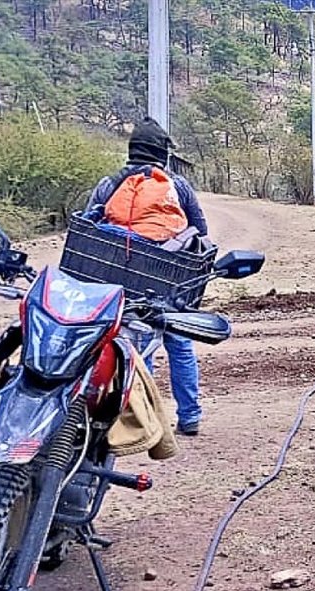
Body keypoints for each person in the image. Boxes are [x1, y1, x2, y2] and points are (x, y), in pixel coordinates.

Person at [85, 117, 208, 436]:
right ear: (162, 153)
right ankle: (190, 417)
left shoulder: (109, 184)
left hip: (120, 284)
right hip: (169, 285)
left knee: (137, 351)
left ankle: (147, 421)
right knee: (179, 345)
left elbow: (87, 230)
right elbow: (201, 232)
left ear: (133, 150)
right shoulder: (178, 186)